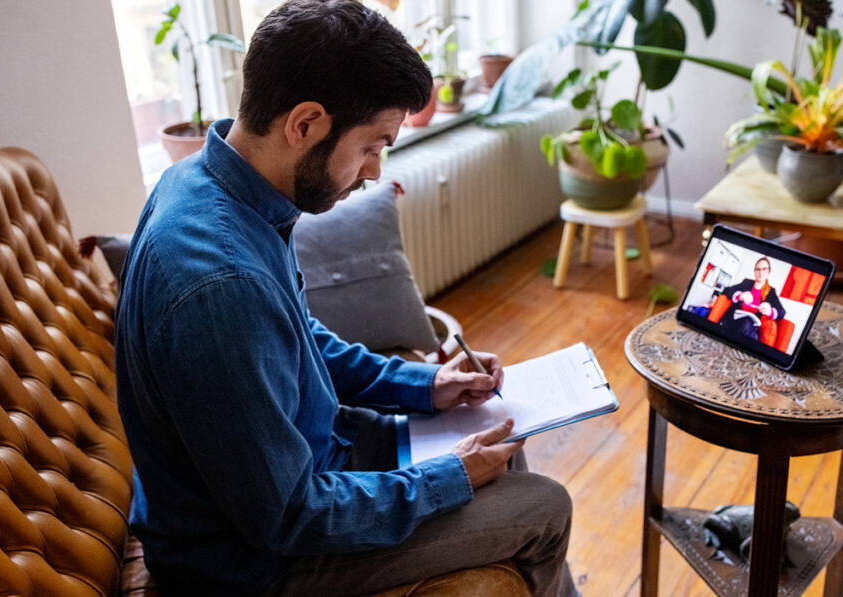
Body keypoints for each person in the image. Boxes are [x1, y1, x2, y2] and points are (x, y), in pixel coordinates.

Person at [114, 1, 575, 595]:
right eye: (370, 146)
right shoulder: (219, 282)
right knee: (543, 506)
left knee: (493, 425)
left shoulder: (213, 184)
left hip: (312, 457)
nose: (375, 172)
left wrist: (425, 387)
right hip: (251, 563)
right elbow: (288, 515)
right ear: (305, 123)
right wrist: (445, 479)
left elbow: (295, 338)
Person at [718, 256, 786, 342]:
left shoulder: (771, 291)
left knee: (746, 325)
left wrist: (770, 311)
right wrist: (740, 295)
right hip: (734, 319)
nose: (760, 272)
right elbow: (726, 290)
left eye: (764, 269)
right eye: (758, 269)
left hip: (750, 326)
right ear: (754, 271)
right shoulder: (747, 283)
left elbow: (782, 312)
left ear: (768, 272)